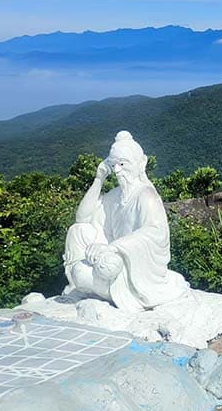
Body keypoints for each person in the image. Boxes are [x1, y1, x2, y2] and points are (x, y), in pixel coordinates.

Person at [62, 131, 189, 311]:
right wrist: (99, 179)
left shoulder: (146, 195)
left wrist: (112, 248)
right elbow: (82, 218)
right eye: (113, 165)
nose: (117, 170)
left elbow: (154, 231)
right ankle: (88, 281)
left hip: (134, 266)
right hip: (110, 257)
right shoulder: (114, 195)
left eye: (122, 164)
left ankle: (101, 285)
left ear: (140, 163)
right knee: (78, 230)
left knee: (95, 271)